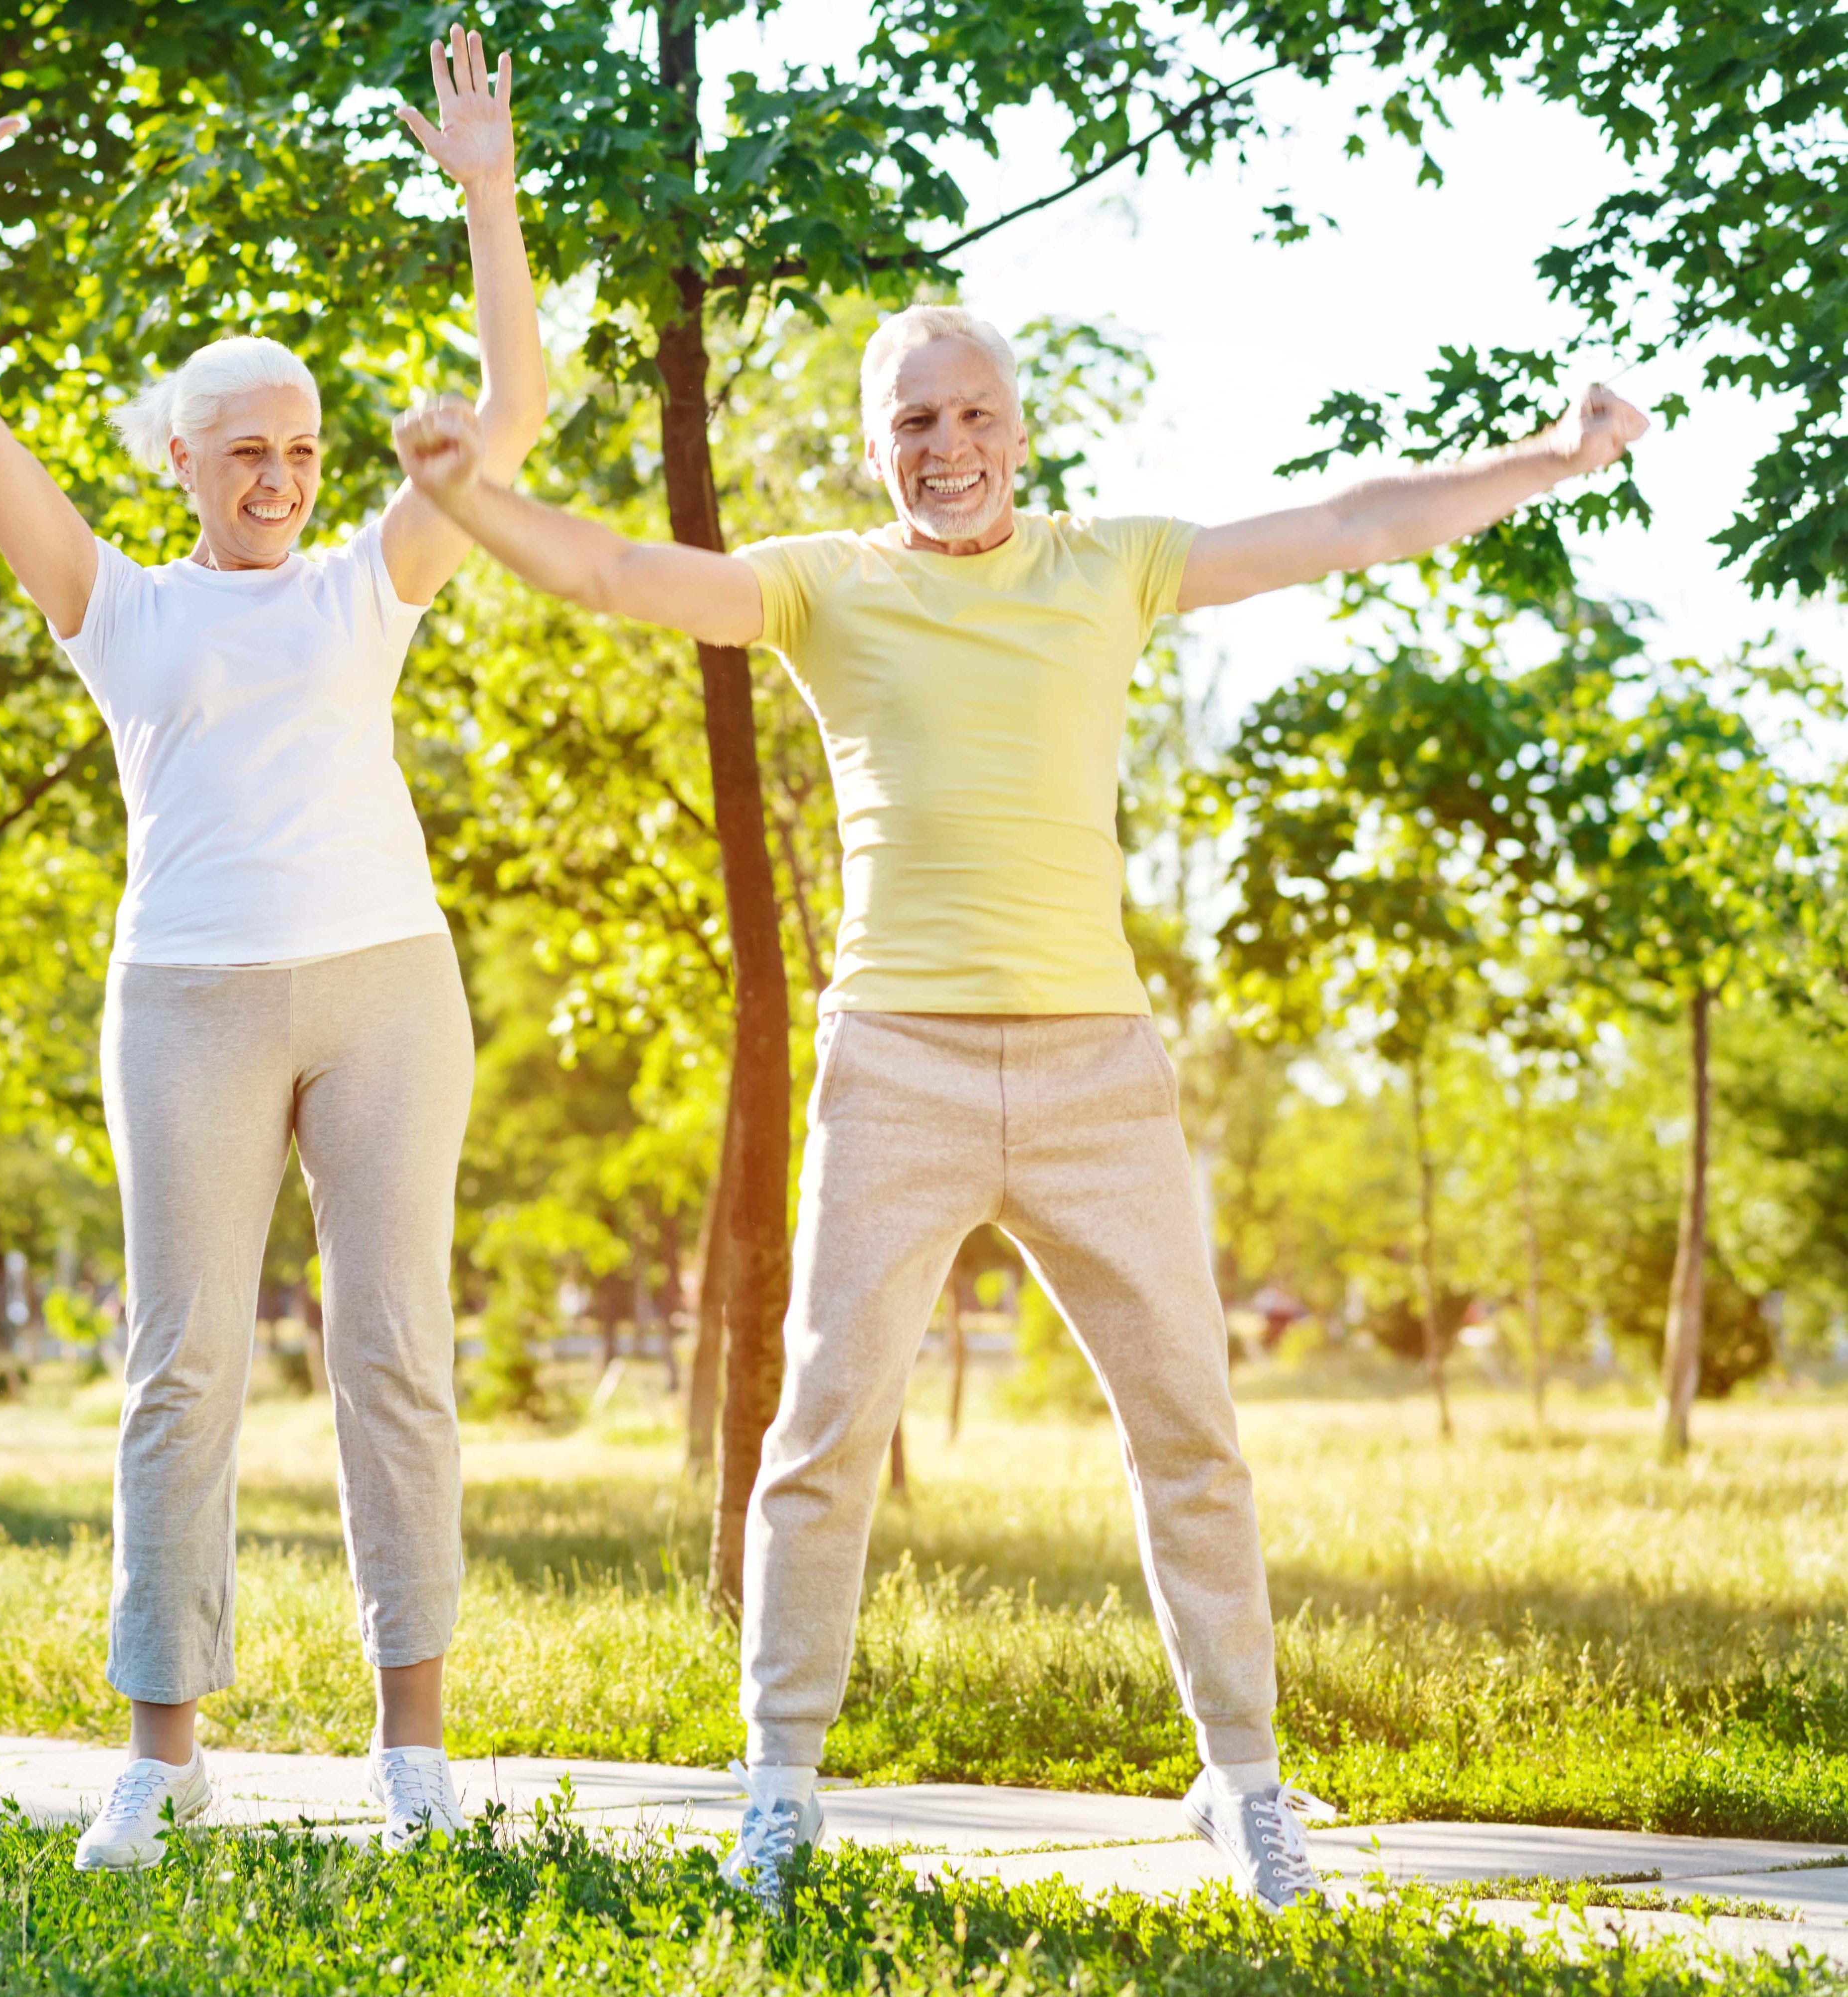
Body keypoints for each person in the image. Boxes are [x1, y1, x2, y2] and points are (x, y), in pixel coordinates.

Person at [391, 305, 1646, 1909]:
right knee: (821, 1433)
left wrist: (1553, 456)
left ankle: (1244, 1784)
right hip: (894, 1062)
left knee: (1189, 1431)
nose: (946, 449)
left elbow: (1344, 526)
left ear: (1019, 432)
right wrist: (465, 496)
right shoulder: (819, 583)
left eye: (971, 415)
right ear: (874, 448)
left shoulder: (1105, 565)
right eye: (912, 425)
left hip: (1093, 1072)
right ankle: (777, 1787)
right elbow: (632, 578)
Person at [0, 28, 547, 1870]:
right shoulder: (118, 608)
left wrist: (485, 191)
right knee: (185, 1368)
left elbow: (519, 409)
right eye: (248, 449)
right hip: (186, 1003)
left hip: (388, 988)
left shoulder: (363, 584)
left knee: (396, 1352)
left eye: (306, 450)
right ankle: (163, 1758)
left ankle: (416, 1755)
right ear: (179, 457)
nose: (285, 477)